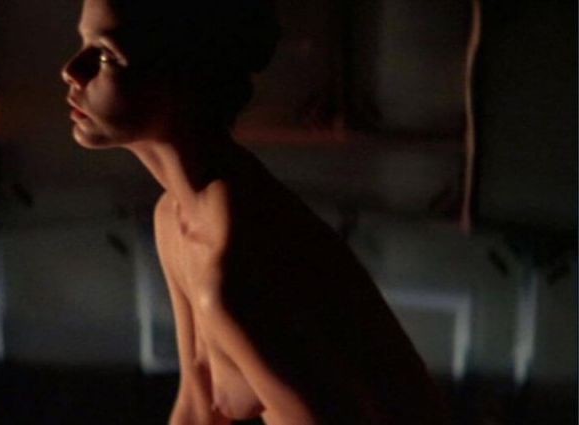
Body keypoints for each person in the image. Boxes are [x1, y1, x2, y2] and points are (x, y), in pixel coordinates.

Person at [61, 0, 449, 423]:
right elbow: (200, 401)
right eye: (84, 43)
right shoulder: (174, 220)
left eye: (106, 55)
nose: (71, 71)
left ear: (184, 74)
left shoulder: (236, 260)